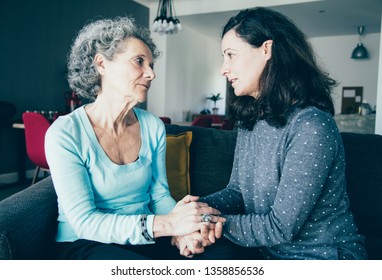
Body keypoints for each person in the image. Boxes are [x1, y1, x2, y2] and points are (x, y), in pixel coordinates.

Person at [172, 7, 367, 260]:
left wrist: (205, 221)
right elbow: (237, 192)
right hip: (267, 254)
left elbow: (280, 226)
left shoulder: (311, 125)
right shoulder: (252, 119)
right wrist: (192, 214)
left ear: (266, 49)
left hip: (322, 258)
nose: (223, 68)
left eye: (230, 55)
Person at [45, 17, 224, 260]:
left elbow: (159, 196)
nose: (151, 74)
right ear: (101, 64)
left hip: (147, 236)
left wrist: (184, 234)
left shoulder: (152, 126)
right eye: (139, 61)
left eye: (151, 65)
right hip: (86, 243)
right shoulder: (65, 133)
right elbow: (85, 222)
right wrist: (169, 226)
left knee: (222, 255)